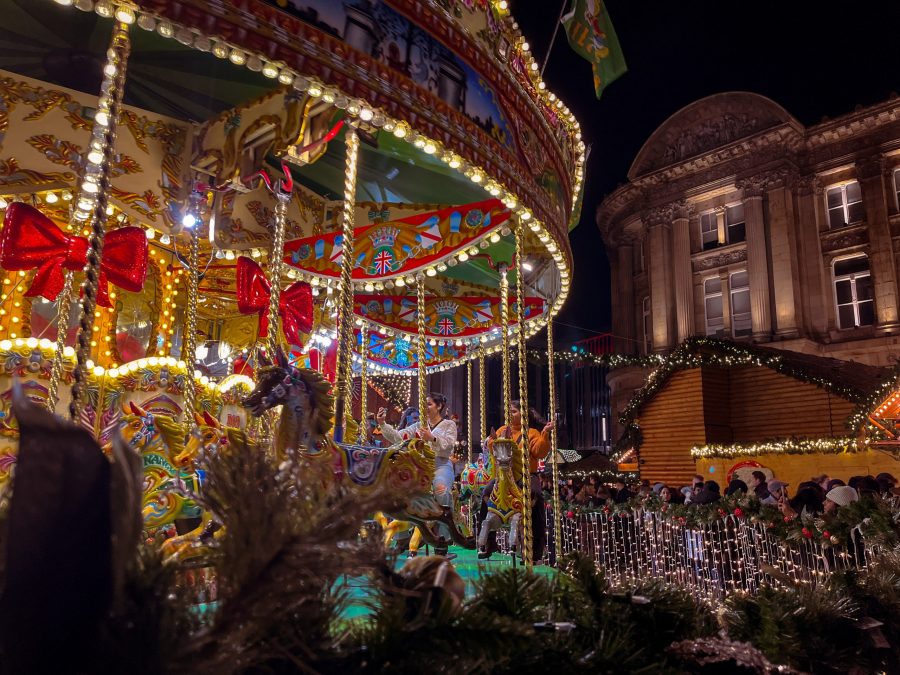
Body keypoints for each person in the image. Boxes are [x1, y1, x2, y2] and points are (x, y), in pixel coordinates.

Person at [378, 393, 457, 556]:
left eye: (429, 404)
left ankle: (443, 540)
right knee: (400, 492)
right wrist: (383, 424)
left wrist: (432, 438)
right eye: (424, 404)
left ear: (439, 406)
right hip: (420, 467)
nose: (425, 408)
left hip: (440, 465)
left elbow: (449, 447)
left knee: (441, 491)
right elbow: (399, 437)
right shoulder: (418, 426)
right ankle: (401, 538)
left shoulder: (449, 424)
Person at [486, 400, 555, 561]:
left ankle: (536, 547)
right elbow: (491, 447)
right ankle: (489, 541)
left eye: (514, 411)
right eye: (508, 411)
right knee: (486, 492)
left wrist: (545, 433)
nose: (510, 414)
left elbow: (539, 452)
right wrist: (493, 440)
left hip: (525, 475)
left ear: (523, 414)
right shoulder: (503, 430)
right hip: (504, 476)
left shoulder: (531, 433)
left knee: (535, 495)